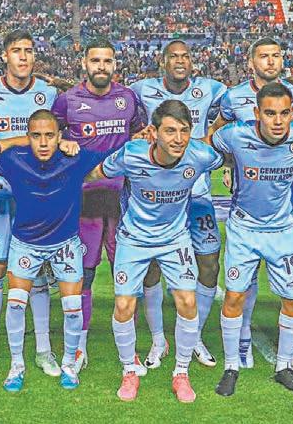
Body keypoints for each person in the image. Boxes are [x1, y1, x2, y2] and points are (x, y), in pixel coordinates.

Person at [92, 100, 224, 403]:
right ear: (153, 132)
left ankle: (181, 373)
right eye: (170, 131)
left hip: (175, 239)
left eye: (184, 131)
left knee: (187, 301)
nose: (178, 139)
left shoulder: (201, 155)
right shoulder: (131, 154)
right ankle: (129, 371)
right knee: (123, 305)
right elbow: (96, 172)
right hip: (133, 239)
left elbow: (232, 156)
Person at [0, 109, 113, 392]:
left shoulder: (75, 157)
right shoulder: (14, 159)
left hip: (65, 244)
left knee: (72, 308)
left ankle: (69, 364)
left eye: (50, 136)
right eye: (36, 136)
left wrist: (142, 139)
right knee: (15, 304)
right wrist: (13, 142)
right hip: (25, 244)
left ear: (60, 136)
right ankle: (16, 365)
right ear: (27, 136)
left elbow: (115, 155)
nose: (43, 143)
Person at [209, 82, 293, 396]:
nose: (277, 121)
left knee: (292, 298)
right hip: (244, 229)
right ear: (257, 113)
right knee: (234, 297)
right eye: (270, 113)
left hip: (285, 230)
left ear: (292, 114)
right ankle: (231, 366)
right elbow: (205, 145)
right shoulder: (235, 134)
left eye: (284, 113)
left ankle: (283, 366)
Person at [207, 36, 293, 368]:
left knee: (292, 287)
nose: (270, 61)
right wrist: (229, 165)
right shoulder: (233, 97)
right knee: (243, 283)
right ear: (251, 62)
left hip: (282, 205)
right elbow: (217, 135)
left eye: (276, 55)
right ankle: (242, 339)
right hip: (246, 201)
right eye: (263, 56)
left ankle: (290, 345)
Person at [0, 29, 60, 381]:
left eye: (29, 50)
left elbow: (58, 138)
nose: (23, 56)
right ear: (4, 56)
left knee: (37, 270)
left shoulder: (48, 93)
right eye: (16, 50)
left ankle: (43, 350)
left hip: (36, 197)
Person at [50, 38, 146, 371]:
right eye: (95, 60)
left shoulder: (128, 98)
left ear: (114, 64)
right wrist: (62, 141)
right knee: (84, 276)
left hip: (122, 203)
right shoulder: (67, 100)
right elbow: (48, 135)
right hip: (85, 204)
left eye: (107, 61)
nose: (101, 67)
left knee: (126, 278)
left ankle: (129, 349)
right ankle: (79, 346)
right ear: (84, 63)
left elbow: (139, 136)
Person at [131, 39, 227, 370]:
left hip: (197, 194)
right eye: (174, 56)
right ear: (163, 61)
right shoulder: (142, 89)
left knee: (209, 263)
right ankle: (159, 339)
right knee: (153, 266)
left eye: (186, 56)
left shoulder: (211, 89)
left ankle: (194, 335)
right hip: (159, 193)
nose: (180, 61)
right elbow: (125, 114)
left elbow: (238, 108)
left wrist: (213, 135)